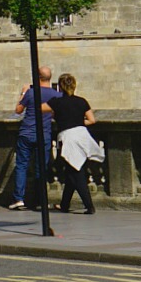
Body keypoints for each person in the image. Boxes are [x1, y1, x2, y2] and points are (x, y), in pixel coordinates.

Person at [46, 74, 102, 214]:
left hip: (68, 138)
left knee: (75, 173)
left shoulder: (57, 102)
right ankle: (64, 205)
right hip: (82, 136)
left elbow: (39, 108)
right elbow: (92, 120)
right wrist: (77, 121)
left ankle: (89, 205)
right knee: (73, 170)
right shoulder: (82, 101)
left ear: (60, 87)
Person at [10, 66, 62, 210]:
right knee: (41, 168)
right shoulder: (56, 95)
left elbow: (18, 110)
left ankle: (19, 199)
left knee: (21, 166)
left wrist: (23, 92)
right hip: (44, 134)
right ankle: (40, 200)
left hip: (26, 133)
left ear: (37, 77)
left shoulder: (31, 93)